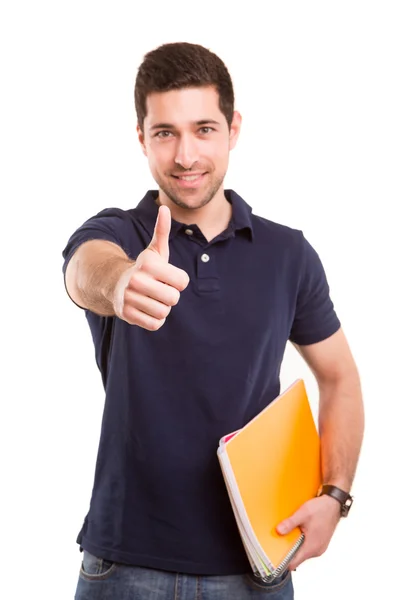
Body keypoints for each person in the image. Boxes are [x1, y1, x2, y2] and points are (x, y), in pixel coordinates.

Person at [62, 41, 364, 600]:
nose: (185, 155)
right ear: (141, 138)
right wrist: (123, 281)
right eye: (164, 133)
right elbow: (85, 270)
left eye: (203, 129)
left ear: (233, 128)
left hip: (257, 565)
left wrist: (335, 496)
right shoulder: (119, 234)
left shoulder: (288, 253)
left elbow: (340, 377)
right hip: (124, 566)